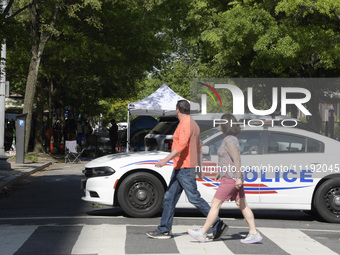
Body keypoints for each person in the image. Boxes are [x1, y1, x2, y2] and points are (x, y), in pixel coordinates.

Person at [146, 100, 227, 240]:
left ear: (177, 110)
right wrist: (200, 167)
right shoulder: (193, 124)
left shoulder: (186, 124)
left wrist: (165, 160)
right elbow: (199, 147)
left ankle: (218, 223)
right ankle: (164, 229)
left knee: (194, 198)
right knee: (169, 198)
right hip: (181, 167)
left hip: (185, 167)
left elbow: (182, 145)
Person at [188, 113, 263, 244]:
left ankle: (202, 233)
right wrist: (220, 171)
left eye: (220, 123)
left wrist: (238, 178)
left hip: (231, 178)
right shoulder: (230, 139)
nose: (219, 125)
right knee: (242, 204)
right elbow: (227, 159)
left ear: (225, 125)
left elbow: (236, 159)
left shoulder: (229, 140)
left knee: (215, 204)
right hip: (231, 176)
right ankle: (254, 232)